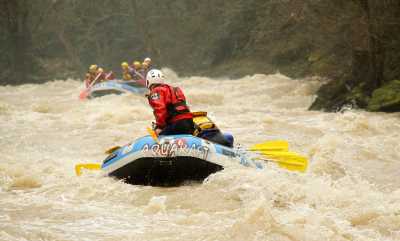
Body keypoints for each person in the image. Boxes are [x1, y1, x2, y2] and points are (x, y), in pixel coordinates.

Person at [146, 69, 194, 135]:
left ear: (148, 81)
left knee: (159, 134)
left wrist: (160, 127)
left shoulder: (156, 91)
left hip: (176, 124)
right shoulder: (175, 89)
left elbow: (160, 109)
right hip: (189, 122)